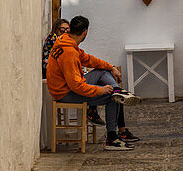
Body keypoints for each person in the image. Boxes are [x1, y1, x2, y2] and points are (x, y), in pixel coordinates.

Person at [46, 15, 139, 149]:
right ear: (85, 32)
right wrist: (101, 90)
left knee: (103, 71)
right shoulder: (69, 52)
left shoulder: (65, 41)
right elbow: (76, 86)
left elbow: (88, 59)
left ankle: (118, 91)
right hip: (65, 93)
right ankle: (112, 139)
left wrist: (110, 67)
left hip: (68, 87)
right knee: (112, 97)